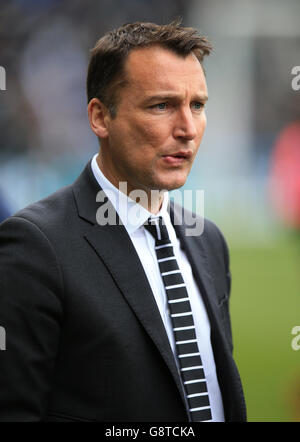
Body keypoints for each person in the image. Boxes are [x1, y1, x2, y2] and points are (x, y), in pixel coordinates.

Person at [0, 20, 246, 422]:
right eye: (161, 105)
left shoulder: (209, 242)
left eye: (197, 105)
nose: (187, 129)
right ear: (100, 117)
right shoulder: (36, 247)